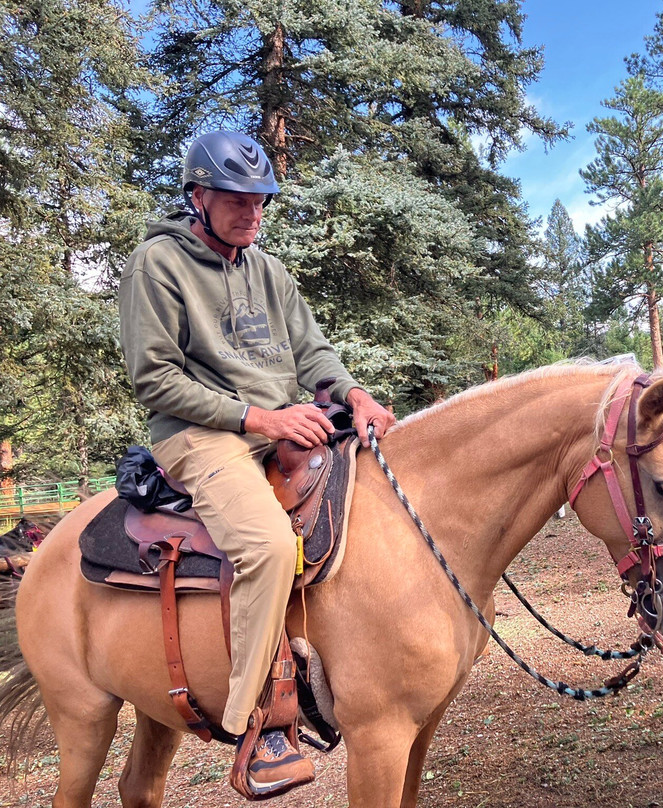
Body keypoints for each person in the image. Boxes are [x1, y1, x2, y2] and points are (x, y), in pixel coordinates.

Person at [119, 131, 395, 796]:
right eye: (238, 200)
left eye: (261, 200)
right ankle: (256, 722)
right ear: (198, 195)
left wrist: (352, 393)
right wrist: (260, 418)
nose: (253, 212)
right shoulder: (157, 264)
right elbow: (152, 377)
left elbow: (314, 354)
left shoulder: (268, 271)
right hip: (200, 435)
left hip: (278, 426)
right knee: (270, 545)